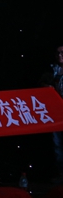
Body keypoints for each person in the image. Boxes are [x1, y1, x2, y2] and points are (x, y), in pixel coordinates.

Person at [40, 45, 63, 183]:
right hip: (57, 113)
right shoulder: (52, 70)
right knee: (58, 145)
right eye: (57, 53)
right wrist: (47, 87)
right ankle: (61, 174)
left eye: (62, 53)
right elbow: (41, 83)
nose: (60, 55)